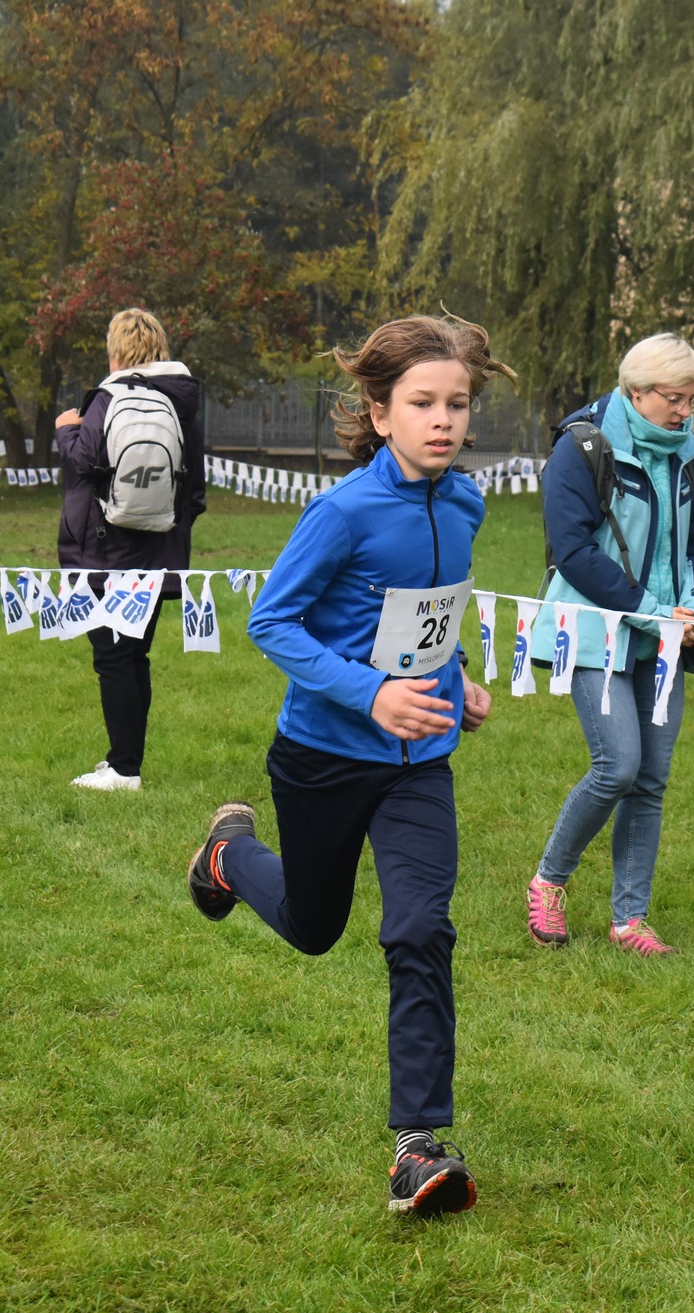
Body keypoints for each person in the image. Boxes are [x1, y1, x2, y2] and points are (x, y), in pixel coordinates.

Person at [184, 315, 510, 1218]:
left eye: (457, 404)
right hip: (324, 757)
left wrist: (456, 677)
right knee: (313, 924)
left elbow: (431, 613)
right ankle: (227, 855)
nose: (443, 420)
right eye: (422, 403)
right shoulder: (341, 513)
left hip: (420, 762)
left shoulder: (466, 503)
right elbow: (271, 622)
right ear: (379, 412)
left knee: (420, 928)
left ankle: (419, 1145)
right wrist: (371, 696)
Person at [526, 334, 694, 957]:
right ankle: (548, 881)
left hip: (666, 638)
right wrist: (652, 613)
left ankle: (629, 921)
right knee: (618, 766)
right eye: (674, 398)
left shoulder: (683, 454)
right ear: (635, 392)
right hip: (594, 632)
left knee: (651, 779)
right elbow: (573, 551)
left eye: (693, 400)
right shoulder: (580, 447)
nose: (685, 412)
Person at [54, 307, 209, 791]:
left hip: (104, 551)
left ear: (116, 352)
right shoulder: (181, 404)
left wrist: (66, 429)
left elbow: (82, 464)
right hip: (160, 551)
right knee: (134, 655)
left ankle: (124, 769)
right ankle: (126, 761)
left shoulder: (109, 397)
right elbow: (196, 490)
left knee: (113, 659)